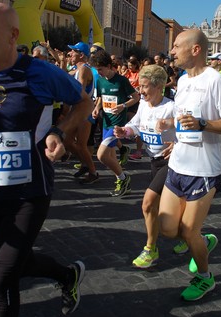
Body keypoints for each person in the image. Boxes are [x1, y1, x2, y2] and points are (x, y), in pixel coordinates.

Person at [0, 2, 92, 317]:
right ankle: (67, 274)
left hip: (31, 190)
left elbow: (84, 104)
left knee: (2, 277)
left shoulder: (40, 72)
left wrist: (59, 130)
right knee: (16, 261)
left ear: (13, 34)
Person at [157, 29, 221, 301]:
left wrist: (204, 124)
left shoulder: (215, 80)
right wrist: (172, 130)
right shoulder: (181, 82)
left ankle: (205, 278)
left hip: (203, 170)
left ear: (195, 49)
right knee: (169, 229)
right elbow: (185, 120)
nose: (172, 51)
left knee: (188, 231)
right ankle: (205, 242)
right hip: (178, 164)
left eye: (177, 46)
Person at [113, 65, 177, 269]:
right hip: (154, 161)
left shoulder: (171, 107)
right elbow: (136, 125)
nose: (141, 91)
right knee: (170, 209)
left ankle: (150, 249)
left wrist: (177, 143)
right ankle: (192, 235)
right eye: (140, 86)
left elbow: (187, 130)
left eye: (145, 87)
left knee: (148, 203)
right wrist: (125, 131)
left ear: (159, 86)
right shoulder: (143, 104)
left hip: (172, 162)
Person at [89, 50, 140, 197]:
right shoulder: (99, 80)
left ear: (109, 66)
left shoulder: (122, 80)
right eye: (97, 70)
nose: (98, 72)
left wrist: (123, 106)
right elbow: (101, 97)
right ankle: (121, 180)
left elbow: (136, 97)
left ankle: (124, 178)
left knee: (101, 155)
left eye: (100, 69)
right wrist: (96, 109)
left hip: (117, 124)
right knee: (110, 156)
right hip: (106, 121)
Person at [64, 41, 100, 184]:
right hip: (77, 109)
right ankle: (84, 164)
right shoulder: (77, 69)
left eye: (73, 51)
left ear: (81, 55)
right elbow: (65, 74)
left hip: (85, 110)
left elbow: (79, 92)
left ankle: (93, 172)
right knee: (67, 141)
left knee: (81, 145)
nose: (70, 54)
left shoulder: (84, 70)